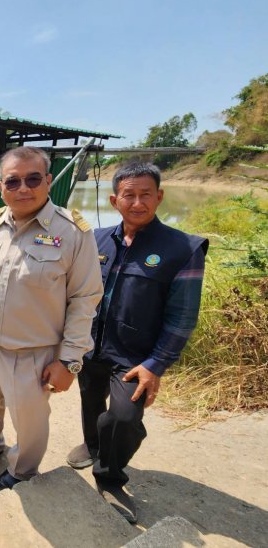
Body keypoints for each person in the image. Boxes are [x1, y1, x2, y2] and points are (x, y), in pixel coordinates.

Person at [0, 146, 103, 495]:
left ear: (48, 181)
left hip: (32, 352)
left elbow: (85, 299)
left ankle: (22, 470)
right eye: (13, 181)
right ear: (0, 187)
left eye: (33, 179)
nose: (23, 188)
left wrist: (69, 360)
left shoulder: (73, 232)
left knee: (30, 423)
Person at [66, 162, 208, 523]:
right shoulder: (94, 239)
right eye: (129, 195)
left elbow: (182, 316)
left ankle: (110, 477)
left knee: (124, 418)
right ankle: (94, 445)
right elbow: (72, 292)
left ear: (159, 197)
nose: (138, 202)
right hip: (90, 347)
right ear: (115, 200)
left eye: (146, 194)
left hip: (135, 357)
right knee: (89, 401)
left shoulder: (182, 248)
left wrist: (157, 364)